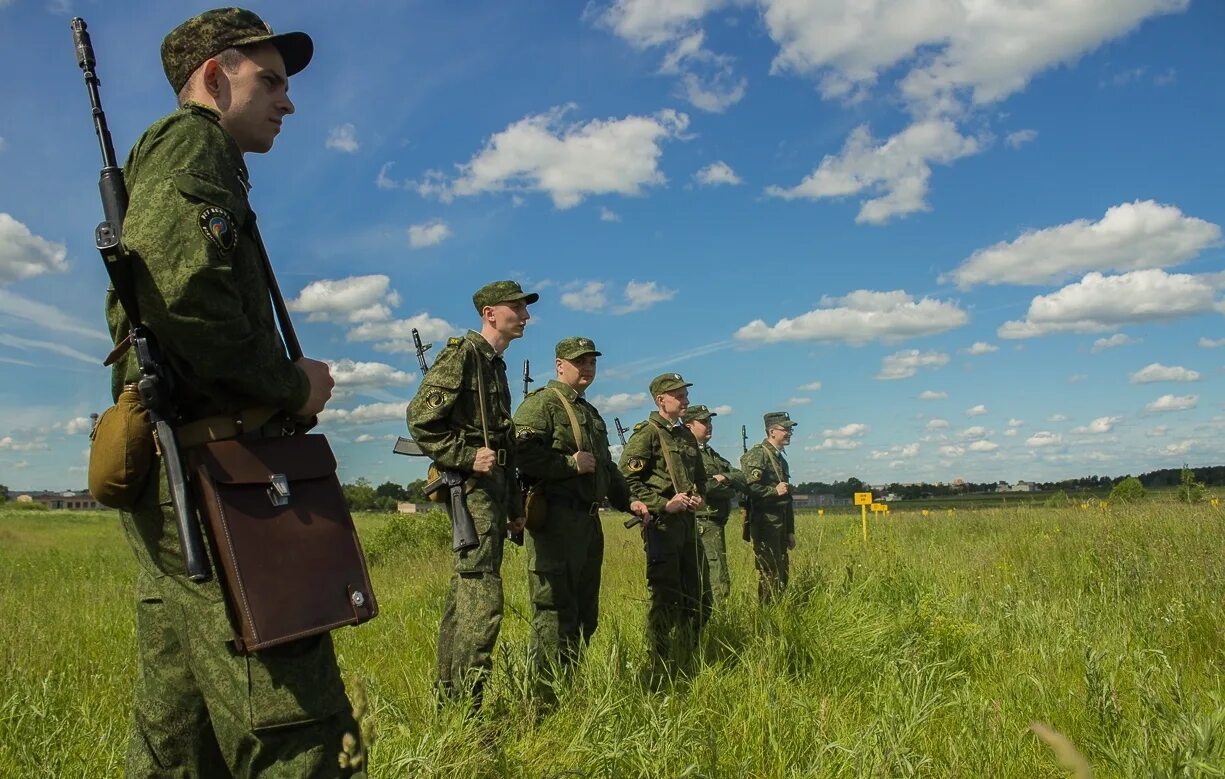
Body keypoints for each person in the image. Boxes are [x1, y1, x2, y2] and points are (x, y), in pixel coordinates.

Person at [103, 8, 363, 776]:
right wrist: (292, 382)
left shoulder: (189, 157)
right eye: (270, 80)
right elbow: (183, 297)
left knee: (180, 731)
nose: (288, 101)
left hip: (190, 465)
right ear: (215, 77)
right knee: (298, 728)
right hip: (219, 475)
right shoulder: (194, 142)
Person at [407, 280, 534, 710]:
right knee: (482, 596)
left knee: (465, 596)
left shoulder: (493, 364)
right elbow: (420, 419)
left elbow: (503, 443)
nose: (526, 315)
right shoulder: (464, 354)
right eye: (517, 307)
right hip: (472, 491)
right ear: (490, 313)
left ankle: (449, 698)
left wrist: (515, 505)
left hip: (493, 491)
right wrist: (464, 455)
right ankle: (468, 707)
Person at [513, 337, 649, 702]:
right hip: (556, 523)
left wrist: (630, 501)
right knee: (554, 615)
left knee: (586, 615)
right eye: (579, 361)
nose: (587, 367)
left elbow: (606, 468)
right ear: (560, 365)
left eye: (591, 361)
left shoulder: (590, 414)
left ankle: (567, 688)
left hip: (588, 525)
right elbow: (520, 455)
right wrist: (568, 465)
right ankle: (542, 702)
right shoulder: (541, 404)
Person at [618, 373, 707, 685]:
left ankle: (688, 657)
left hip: (687, 525)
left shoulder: (684, 436)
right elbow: (625, 480)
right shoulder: (647, 434)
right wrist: (662, 504)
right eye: (678, 395)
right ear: (661, 400)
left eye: (685, 394)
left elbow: (699, 478)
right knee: (665, 595)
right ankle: (659, 661)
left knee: (694, 592)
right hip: (663, 526)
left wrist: (696, 497)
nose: (685, 400)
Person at [682, 404, 746, 614]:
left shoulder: (711, 453)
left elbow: (740, 476)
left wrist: (725, 478)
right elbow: (700, 487)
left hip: (715, 522)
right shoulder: (686, 452)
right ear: (689, 425)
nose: (709, 426)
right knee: (716, 574)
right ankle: (717, 617)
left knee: (717, 570)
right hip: (703, 522)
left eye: (710, 422)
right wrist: (726, 487)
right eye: (704, 422)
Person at [741, 411, 798, 602]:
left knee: (782, 572)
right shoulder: (758, 455)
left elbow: (787, 500)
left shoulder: (781, 460)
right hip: (765, 523)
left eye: (790, 429)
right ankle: (766, 615)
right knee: (769, 571)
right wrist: (774, 491)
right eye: (785, 429)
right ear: (772, 431)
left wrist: (790, 531)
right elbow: (750, 487)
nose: (789, 433)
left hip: (780, 524)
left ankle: (777, 611)